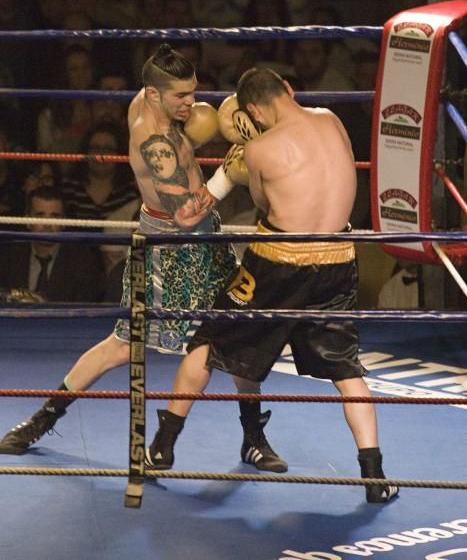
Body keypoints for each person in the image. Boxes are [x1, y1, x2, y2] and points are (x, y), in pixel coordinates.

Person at [0, 45, 286, 474]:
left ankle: (253, 438)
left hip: (206, 236)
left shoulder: (152, 106)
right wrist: (229, 173)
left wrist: (194, 134)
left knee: (237, 333)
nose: (192, 104)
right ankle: (42, 420)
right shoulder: (156, 144)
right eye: (181, 97)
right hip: (173, 245)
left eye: (194, 93)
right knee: (123, 344)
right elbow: (186, 215)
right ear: (154, 94)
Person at [145, 66, 399, 504]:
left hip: (279, 263)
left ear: (254, 112)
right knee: (345, 367)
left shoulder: (259, 148)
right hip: (338, 258)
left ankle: (162, 448)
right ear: (288, 90)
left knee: (209, 340)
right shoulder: (331, 120)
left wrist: (244, 153)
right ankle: (375, 476)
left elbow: (264, 203)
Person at [0, 185, 104, 303]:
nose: (47, 224)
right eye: (40, 215)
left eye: (55, 216)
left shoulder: (83, 262)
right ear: (27, 220)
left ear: (64, 222)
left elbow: (86, 309)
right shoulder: (7, 257)